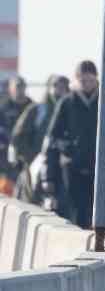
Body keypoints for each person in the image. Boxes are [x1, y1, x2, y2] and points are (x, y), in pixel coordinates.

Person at [42, 60, 105, 229]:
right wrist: (50, 174)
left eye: (90, 80)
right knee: (78, 212)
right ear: (76, 80)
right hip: (73, 168)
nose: (87, 84)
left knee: (102, 213)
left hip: (100, 169)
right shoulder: (67, 103)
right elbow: (53, 138)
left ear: (96, 79)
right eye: (83, 80)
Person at [10, 75, 69, 203]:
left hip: (62, 169)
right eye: (55, 86)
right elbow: (18, 137)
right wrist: (31, 158)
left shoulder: (70, 112)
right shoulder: (37, 110)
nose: (59, 90)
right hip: (34, 168)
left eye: (63, 87)